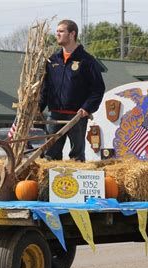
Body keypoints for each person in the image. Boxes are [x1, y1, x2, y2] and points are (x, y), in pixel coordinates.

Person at [39, 19, 105, 162]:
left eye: (61, 31)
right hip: (54, 117)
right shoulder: (52, 60)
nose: (57, 34)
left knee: (76, 157)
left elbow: (98, 89)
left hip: (77, 117)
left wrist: (87, 108)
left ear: (72, 34)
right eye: (57, 31)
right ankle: (48, 185)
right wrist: (38, 108)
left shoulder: (87, 61)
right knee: (50, 156)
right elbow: (45, 88)